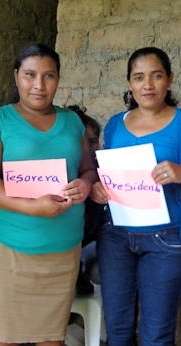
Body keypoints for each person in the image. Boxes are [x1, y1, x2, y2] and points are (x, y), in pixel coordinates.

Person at [0, 43, 98, 346]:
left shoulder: (72, 122)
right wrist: (31, 207)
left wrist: (86, 183)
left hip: (63, 247)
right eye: (29, 75)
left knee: (51, 330)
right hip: (13, 245)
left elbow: (88, 167)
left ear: (58, 79)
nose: (39, 85)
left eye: (49, 75)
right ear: (16, 76)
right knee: (4, 330)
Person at [90, 47, 181, 346]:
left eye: (157, 75)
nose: (148, 84)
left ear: (169, 79)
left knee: (156, 334)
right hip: (116, 236)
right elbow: (108, 177)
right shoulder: (115, 124)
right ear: (129, 83)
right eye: (139, 77)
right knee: (119, 326)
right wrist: (99, 189)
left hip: (168, 242)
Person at [67, 105, 104, 294]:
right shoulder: (59, 172)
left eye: (93, 142)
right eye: (81, 142)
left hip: (88, 242)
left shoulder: (104, 170)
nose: (88, 148)